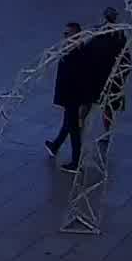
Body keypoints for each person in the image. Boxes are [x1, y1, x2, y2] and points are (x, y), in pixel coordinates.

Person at [45, 21, 93, 173]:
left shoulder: (80, 52)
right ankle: (55, 145)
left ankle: (76, 162)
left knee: (73, 129)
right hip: (70, 98)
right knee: (68, 124)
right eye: (64, 33)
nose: (64, 36)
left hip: (74, 98)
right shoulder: (71, 49)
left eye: (68, 33)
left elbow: (82, 79)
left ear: (76, 34)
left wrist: (84, 102)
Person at [90, 6, 131, 142]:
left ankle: (103, 131)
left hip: (103, 75)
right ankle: (106, 132)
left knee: (102, 105)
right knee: (107, 106)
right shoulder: (119, 36)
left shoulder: (108, 35)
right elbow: (126, 59)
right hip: (111, 76)